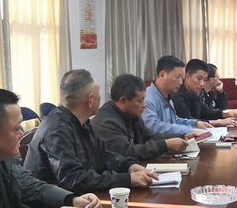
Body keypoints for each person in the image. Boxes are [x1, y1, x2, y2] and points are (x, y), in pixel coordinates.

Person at [24, 69, 157, 192]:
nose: (101, 97)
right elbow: (73, 180)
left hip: (81, 198)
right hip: (55, 205)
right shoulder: (57, 131)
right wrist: (127, 179)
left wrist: (129, 166)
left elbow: (103, 156)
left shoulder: (81, 122)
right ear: (90, 99)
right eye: (99, 92)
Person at [91, 74, 190, 161]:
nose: (144, 105)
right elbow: (127, 152)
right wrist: (165, 145)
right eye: (140, 101)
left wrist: (182, 136)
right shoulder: (106, 122)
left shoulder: (132, 113)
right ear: (123, 101)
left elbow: (149, 137)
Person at [143, 55, 211, 136]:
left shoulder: (167, 96)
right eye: (178, 77)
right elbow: (153, 127)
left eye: (182, 78)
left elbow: (174, 121)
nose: (181, 82)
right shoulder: (147, 98)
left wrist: (195, 123)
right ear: (162, 75)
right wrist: (189, 130)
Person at [171, 58, 237, 125]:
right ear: (188, 76)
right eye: (199, 78)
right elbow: (188, 121)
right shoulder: (178, 95)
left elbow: (208, 112)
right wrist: (218, 122)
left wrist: (230, 113)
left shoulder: (194, 93)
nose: (202, 84)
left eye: (204, 80)